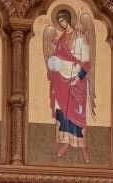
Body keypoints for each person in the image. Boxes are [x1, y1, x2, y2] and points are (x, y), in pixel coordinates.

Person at [43, 8, 95, 162]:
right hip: (61, 80)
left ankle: (83, 147)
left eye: (63, 20)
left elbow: (86, 63)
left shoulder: (80, 37)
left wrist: (77, 79)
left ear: (68, 19)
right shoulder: (61, 38)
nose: (62, 24)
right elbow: (57, 57)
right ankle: (66, 142)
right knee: (64, 113)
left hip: (77, 82)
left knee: (78, 114)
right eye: (59, 22)